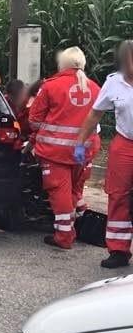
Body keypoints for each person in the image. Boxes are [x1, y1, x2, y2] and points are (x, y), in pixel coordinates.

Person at [28, 47, 101, 250]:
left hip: (55, 152)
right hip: (84, 151)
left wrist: (37, 135)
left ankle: (64, 236)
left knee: (59, 192)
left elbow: (34, 120)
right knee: (75, 191)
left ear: (62, 63)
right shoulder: (95, 87)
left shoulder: (51, 86)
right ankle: (73, 225)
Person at [74, 39, 133, 269]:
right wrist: (80, 142)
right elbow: (95, 114)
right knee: (118, 195)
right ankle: (118, 250)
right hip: (125, 144)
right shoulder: (114, 83)